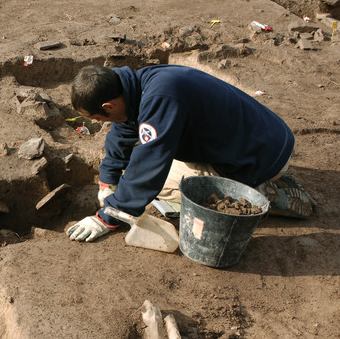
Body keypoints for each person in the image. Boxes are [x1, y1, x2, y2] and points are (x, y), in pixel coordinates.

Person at [66, 64, 316, 242]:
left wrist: (109, 216)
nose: (103, 122)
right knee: (138, 173)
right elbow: (123, 128)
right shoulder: (139, 84)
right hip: (270, 138)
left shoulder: (161, 98)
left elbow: (149, 167)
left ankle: (261, 194)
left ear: (109, 105)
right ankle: (259, 180)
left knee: (159, 185)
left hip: (260, 158)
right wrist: (107, 177)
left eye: (99, 118)